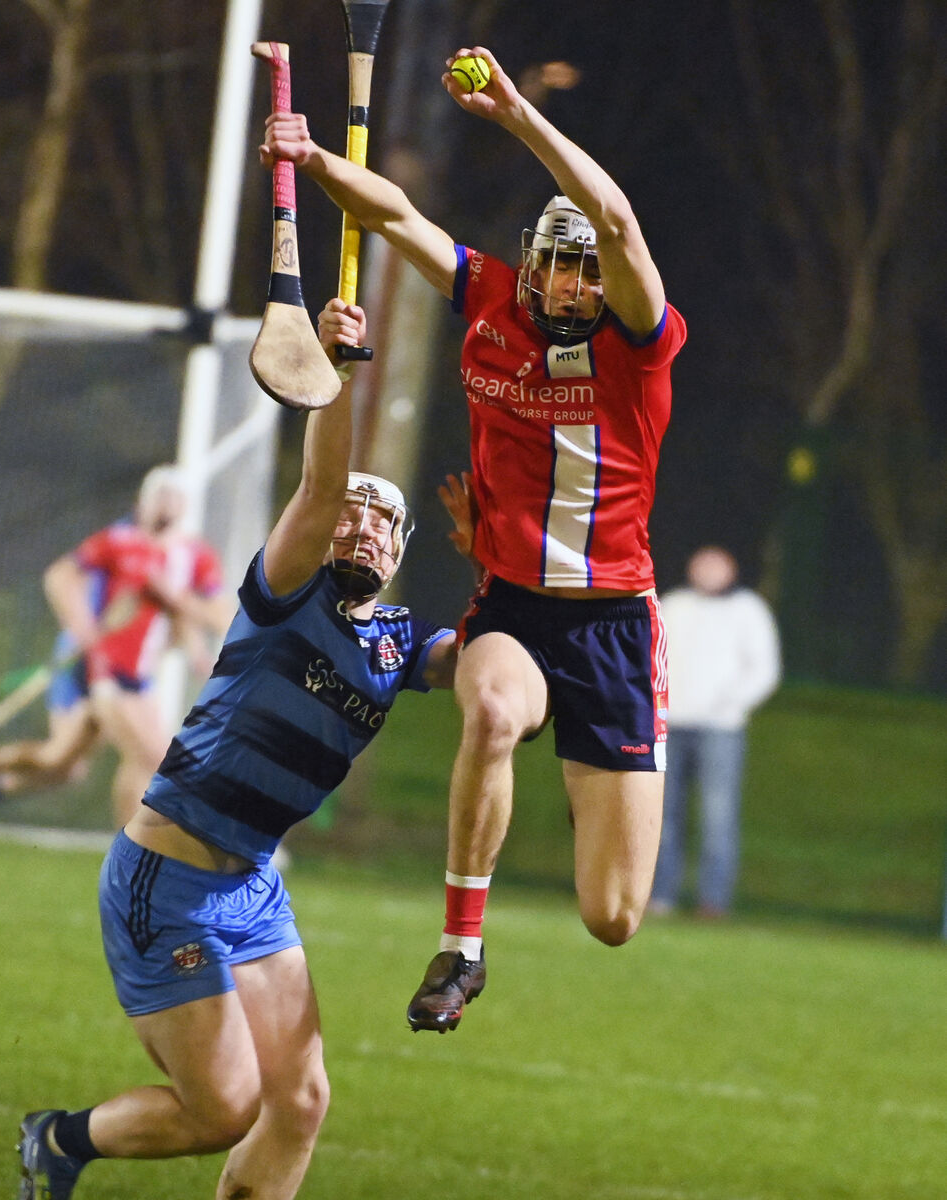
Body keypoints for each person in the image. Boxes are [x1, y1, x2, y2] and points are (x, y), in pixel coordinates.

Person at [261, 44, 687, 1033]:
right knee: (490, 713)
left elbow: (617, 219)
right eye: (561, 264)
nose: (575, 284)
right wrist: (312, 156)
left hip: (615, 628)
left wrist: (518, 120)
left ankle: (434, 675)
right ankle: (460, 949)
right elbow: (398, 216)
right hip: (516, 610)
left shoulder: (640, 344)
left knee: (613, 916)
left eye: (590, 270)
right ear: (534, 262)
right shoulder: (491, 298)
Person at [14, 298, 459, 1200]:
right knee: (221, 1110)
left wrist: (534, 601)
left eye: (384, 520)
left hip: (251, 885)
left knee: (300, 1100)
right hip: (167, 880)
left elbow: (489, 678)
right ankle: (59, 1139)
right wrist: (335, 378)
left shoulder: (402, 640)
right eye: (355, 510)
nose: (363, 524)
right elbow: (320, 490)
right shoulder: (288, 589)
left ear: (404, 547)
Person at [0, 467, 232, 842]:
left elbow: (216, 614)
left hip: (139, 675)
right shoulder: (121, 542)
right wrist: (82, 626)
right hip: (99, 666)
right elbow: (59, 576)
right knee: (150, 757)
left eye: (174, 498)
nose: (165, 507)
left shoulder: (194, 556)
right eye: (159, 496)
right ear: (143, 500)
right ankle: (135, 850)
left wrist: (186, 623)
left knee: (63, 764)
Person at [649, 546, 781, 917]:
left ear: (731, 570)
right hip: (670, 724)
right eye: (701, 565)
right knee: (661, 815)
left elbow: (764, 670)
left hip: (721, 729)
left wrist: (729, 703)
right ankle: (659, 896)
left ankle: (713, 901)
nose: (707, 572)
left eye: (715, 566)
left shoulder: (748, 611)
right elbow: (651, 656)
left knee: (717, 816)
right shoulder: (673, 605)